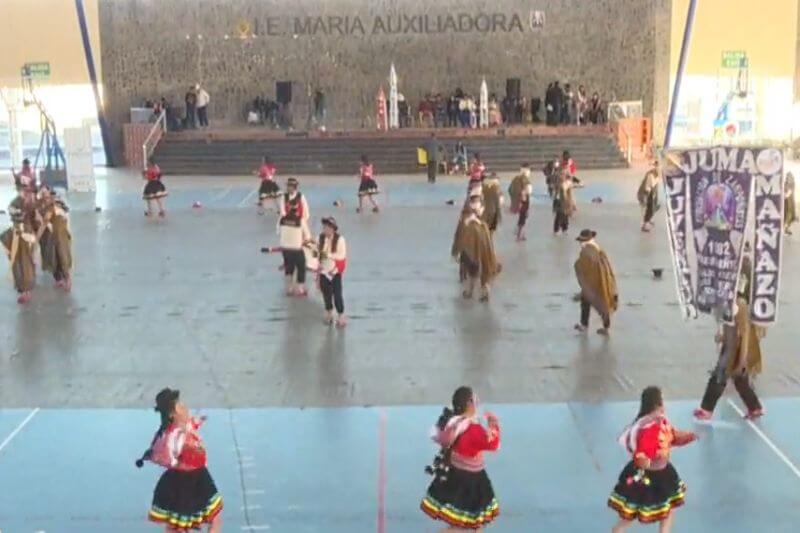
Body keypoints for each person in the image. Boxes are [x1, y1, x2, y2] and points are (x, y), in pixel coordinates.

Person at [608, 386, 697, 533]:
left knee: (666, 510)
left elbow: (673, 436)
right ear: (657, 404)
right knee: (632, 514)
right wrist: (645, 462)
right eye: (663, 400)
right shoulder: (650, 427)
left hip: (661, 473)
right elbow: (644, 451)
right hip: (650, 476)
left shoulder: (659, 422)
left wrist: (689, 437)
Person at [693, 247, 765, 420]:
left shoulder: (740, 303)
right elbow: (728, 324)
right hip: (730, 343)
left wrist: (743, 359)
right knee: (739, 378)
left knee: (720, 374)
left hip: (736, 347)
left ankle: (707, 409)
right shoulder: (728, 299)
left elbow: (745, 333)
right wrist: (722, 336)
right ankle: (755, 407)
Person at [137, 388, 223, 532]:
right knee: (178, 527)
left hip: (199, 477)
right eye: (180, 406)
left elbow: (191, 426)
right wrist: (182, 460)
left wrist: (198, 422)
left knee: (215, 518)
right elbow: (167, 457)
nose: (185, 408)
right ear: (173, 413)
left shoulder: (183, 427)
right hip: (183, 483)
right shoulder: (173, 435)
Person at [421, 386, 500, 531]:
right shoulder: (473, 430)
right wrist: (493, 424)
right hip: (472, 482)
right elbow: (493, 443)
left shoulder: (453, 423)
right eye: (474, 400)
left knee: (469, 524)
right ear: (469, 404)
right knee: (464, 526)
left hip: (454, 476)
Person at [451, 195, 500, 302]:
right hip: (470, 249)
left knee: (482, 270)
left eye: (478, 204)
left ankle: (482, 291)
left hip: (481, 249)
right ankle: (473, 291)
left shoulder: (481, 222)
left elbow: (486, 237)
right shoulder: (467, 219)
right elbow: (460, 234)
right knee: (474, 271)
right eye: (474, 203)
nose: (477, 206)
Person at [574, 229, 618, 335]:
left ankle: (585, 325)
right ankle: (605, 327)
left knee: (588, 301)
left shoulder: (587, 250)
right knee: (603, 301)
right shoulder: (596, 247)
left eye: (581, 241)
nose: (580, 243)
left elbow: (584, 267)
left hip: (593, 282)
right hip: (603, 279)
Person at [1, 188, 40, 304]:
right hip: (19, 231)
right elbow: (10, 209)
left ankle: (27, 291)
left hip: (27, 232)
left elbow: (36, 220)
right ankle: (24, 291)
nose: (26, 195)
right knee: (18, 264)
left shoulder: (32, 203)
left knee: (27, 262)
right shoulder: (17, 202)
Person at [278, 178, 312, 297]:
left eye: (291, 186)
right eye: (288, 186)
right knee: (300, 265)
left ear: (295, 187)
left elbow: (306, 212)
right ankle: (299, 289)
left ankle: (289, 288)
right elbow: (282, 211)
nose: (289, 188)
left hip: (288, 240)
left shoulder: (301, 197)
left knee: (289, 265)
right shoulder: (284, 197)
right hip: (296, 241)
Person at [36, 186, 73, 291]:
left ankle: (67, 279)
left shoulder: (54, 205)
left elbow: (44, 223)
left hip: (59, 235)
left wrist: (36, 238)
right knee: (54, 257)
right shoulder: (43, 205)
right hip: (53, 236)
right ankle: (60, 279)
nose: (44, 194)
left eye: (45, 192)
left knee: (62, 257)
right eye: (42, 192)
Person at [318, 216, 347, 327]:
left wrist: (328, 255)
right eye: (324, 227)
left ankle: (341, 315)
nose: (325, 229)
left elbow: (341, 256)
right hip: (324, 271)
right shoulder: (320, 238)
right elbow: (316, 254)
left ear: (333, 228)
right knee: (326, 294)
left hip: (335, 272)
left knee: (337, 294)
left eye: (327, 227)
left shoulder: (340, 239)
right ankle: (329, 313)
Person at [508, 163, 533, 242]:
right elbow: (528, 190)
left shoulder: (516, 178)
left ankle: (520, 232)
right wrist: (523, 194)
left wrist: (514, 198)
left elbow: (510, 190)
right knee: (523, 217)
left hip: (519, 200)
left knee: (522, 216)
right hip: (524, 200)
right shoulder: (525, 179)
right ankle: (519, 234)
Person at [637, 161, 661, 232]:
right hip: (646, 193)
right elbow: (647, 188)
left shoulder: (657, 174)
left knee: (654, 206)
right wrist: (645, 199)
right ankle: (645, 224)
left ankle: (647, 220)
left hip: (651, 193)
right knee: (650, 208)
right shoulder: (651, 175)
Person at [552, 170, 575, 235]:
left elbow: (570, 194)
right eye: (561, 174)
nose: (561, 176)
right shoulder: (559, 183)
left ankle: (564, 229)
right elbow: (556, 193)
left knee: (565, 215)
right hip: (559, 200)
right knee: (559, 215)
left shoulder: (567, 183)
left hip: (565, 201)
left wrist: (570, 203)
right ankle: (556, 230)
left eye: (562, 174)